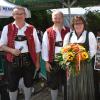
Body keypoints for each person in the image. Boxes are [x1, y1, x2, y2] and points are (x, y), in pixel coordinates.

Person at [0, 6, 41, 100]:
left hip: (29, 60)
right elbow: (1, 45)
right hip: (11, 60)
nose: (19, 16)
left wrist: (38, 62)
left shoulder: (31, 28)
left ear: (25, 15)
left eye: (21, 14)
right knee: (12, 85)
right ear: (13, 15)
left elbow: (37, 47)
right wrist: (12, 50)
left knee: (28, 83)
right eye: (16, 14)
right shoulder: (7, 28)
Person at [63, 16, 97, 100]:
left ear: (84, 24)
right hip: (73, 66)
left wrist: (81, 57)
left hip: (85, 65)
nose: (78, 25)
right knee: (73, 86)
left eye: (80, 23)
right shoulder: (68, 35)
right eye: (76, 23)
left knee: (84, 86)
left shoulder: (90, 34)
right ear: (73, 25)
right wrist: (69, 60)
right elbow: (64, 50)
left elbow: (93, 51)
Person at [42, 11, 70, 100]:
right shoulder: (48, 32)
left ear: (62, 18)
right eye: (55, 18)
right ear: (52, 19)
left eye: (59, 18)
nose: (57, 20)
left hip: (67, 61)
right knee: (53, 83)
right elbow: (45, 47)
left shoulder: (69, 30)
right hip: (53, 61)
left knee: (67, 82)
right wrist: (46, 62)